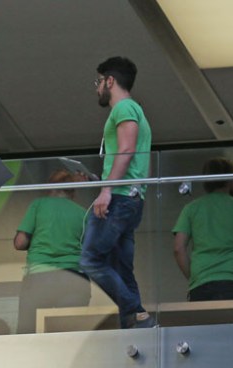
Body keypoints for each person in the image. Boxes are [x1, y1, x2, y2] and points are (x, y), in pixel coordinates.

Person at [79, 56, 155, 329]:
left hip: (121, 196)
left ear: (110, 81)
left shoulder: (123, 108)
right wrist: (101, 182)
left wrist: (107, 189)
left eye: (99, 81)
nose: (97, 88)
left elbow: (126, 150)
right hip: (130, 197)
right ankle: (135, 327)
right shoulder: (134, 110)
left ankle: (136, 312)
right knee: (122, 268)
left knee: (91, 259)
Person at [172, 158, 233, 301]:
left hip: (201, 282)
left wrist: (194, 277)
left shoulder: (191, 208)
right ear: (229, 180)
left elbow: (178, 248)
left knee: (205, 323)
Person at [13, 170, 91, 333]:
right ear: (73, 192)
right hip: (75, 279)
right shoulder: (83, 213)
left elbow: (20, 243)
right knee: (70, 335)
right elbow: (90, 250)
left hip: (40, 277)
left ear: (51, 188)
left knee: (28, 333)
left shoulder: (39, 205)